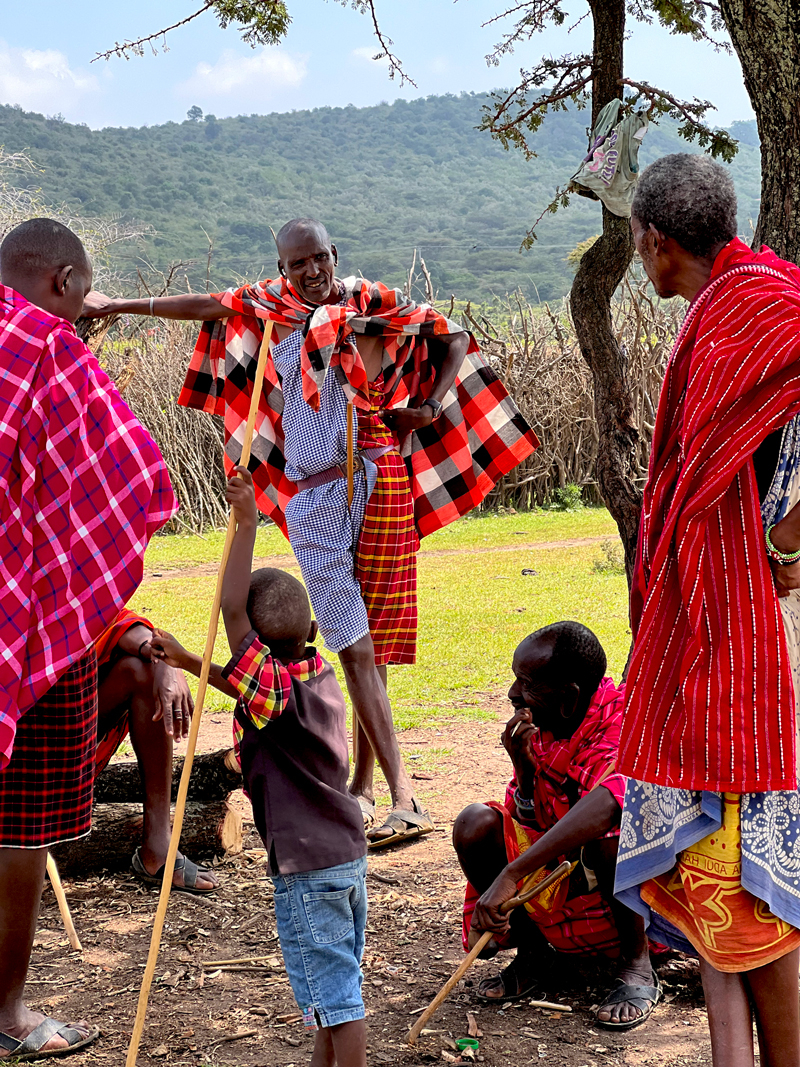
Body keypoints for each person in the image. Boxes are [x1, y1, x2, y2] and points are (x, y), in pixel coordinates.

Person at [83, 218, 538, 848]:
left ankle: (375, 789)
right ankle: (394, 793)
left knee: (368, 645)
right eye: (300, 264)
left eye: (321, 258)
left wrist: (429, 406)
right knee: (353, 645)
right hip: (313, 501)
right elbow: (204, 305)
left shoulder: (368, 303)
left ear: (334, 254)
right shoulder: (274, 307)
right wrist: (120, 304)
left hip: (382, 484)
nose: (314, 272)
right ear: (283, 267)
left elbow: (452, 333)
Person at [613, 153, 800, 1067]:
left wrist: (789, 541)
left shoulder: (761, 306)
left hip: (750, 635)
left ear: (655, 244)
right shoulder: (731, 308)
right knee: (731, 892)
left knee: (753, 898)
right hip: (722, 624)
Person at [0, 218, 176, 1060]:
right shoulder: (51, 355)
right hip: (21, 630)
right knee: (18, 832)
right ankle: (8, 1013)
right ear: (66, 280)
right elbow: (132, 479)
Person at [151, 467, 368, 1067]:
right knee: (331, 997)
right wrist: (192, 660)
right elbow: (252, 689)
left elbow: (232, 611)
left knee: (339, 1002)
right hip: (345, 857)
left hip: (308, 868)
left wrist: (246, 520)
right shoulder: (314, 675)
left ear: (260, 647)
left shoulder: (270, 686)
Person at [453, 622, 658, 1030]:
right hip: (568, 882)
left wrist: (514, 873)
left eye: (526, 683)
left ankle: (638, 966)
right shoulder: (547, 727)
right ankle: (535, 955)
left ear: (570, 698)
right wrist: (525, 774)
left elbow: (608, 803)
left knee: (609, 836)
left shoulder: (622, 726)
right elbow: (529, 823)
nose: (513, 693)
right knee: (476, 823)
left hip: (640, 895)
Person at [94, 609, 219, 893]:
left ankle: (158, 846)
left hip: (66, 741)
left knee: (144, 672)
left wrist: (165, 661)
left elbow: (109, 621)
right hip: (22, 747)